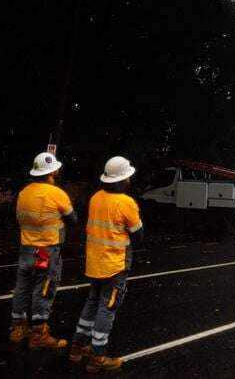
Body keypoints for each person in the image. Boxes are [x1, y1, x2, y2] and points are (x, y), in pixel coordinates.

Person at [69, 156, 144, 373]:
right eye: (128, 176)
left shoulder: (96, 198)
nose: (130, 179)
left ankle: (77, 346)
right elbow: (138, 236)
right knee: (107, 308)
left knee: (92, 302)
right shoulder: (126, 203)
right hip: (115, 264)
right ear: (122, 180)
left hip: (95, 262)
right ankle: (97, 356)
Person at [9, 152, 77, 348]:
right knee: (44, 288)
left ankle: (17, 328)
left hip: (26, 248)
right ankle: (39, 334)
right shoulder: (57, 193)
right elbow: (73, 219)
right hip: (47, 250)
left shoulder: (24, 192)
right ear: (52, 171)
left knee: (22, 287)